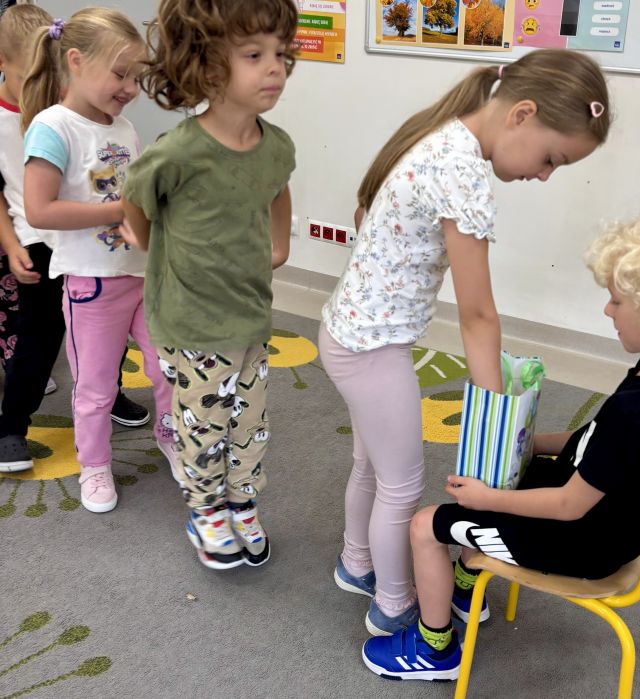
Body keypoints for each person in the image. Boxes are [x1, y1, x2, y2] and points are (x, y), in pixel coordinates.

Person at [361, 206, 640, 681]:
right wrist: (532, 443)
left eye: (617, 301)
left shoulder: (636, 414)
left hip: (582, 541)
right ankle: (467, 588)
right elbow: (593, 442)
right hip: (621, 524)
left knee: (426, 525)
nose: (607, 310)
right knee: (505, 475)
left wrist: (487, 499)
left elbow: (568, 505)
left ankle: (435, 650)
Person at [319, 49, 610, 636]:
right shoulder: (463, 171)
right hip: (372, 350)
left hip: (346, 333)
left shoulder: (441, 135)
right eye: (551, 159)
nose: (544, 175)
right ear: (522, 114)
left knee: (372, 467)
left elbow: (365, 214)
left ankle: (357, 564)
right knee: (402, 487)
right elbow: (477, 316)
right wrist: (496, 420)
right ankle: (394, 607)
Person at [120, 0, 297, 570]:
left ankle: (241, 501)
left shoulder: (276, 145)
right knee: (203, 423)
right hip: (191, 320)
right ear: (207, 64)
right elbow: (135, 203)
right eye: (254, 55)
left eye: (280, 54)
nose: (275, 68)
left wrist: (279, 245)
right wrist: (152, 247)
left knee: (250, 420)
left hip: (250, 312)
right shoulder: (178, 152)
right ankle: (205, 509)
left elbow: (278, 187)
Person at [20, 8, 173, 508]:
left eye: (136, 78)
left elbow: (135, 198)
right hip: (93, 284)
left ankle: (172, 438)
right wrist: (118, 209)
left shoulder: (124, 128)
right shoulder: (52, 126)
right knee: (96, 387)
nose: (130, 88)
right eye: (120, 74)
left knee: (169, 369)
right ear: (76, 61)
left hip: (144, 276)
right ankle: (94, 465)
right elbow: (40, 210)